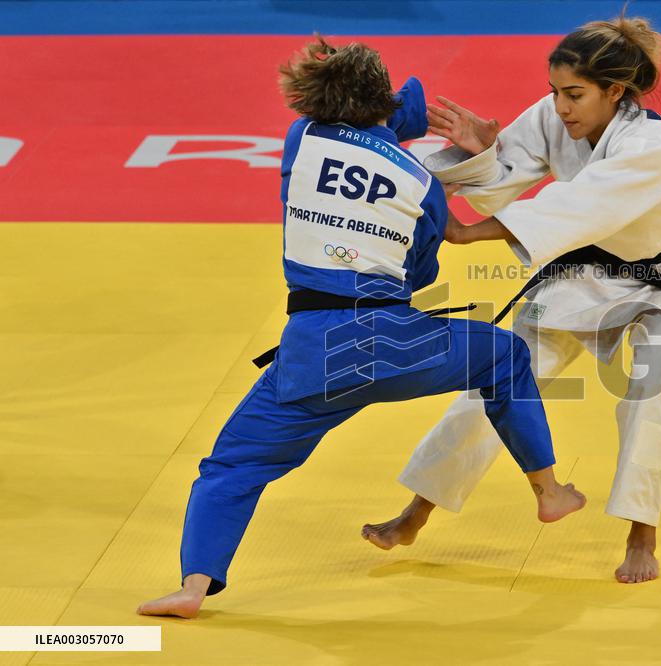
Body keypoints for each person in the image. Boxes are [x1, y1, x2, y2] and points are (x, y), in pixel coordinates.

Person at [137, 35, 585, 619]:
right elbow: (421, 273)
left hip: (312, 358)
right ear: (385, 104)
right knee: (504, 356)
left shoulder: (302, 138)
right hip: (396, 345)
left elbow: (366, 118)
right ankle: (549, 490)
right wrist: (471, 149)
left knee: (231, 467)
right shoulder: (422, 183)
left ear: (314, 100)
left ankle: (193, 586)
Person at [361, 16, 661, 584]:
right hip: (583, 270)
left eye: (575, 94)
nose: (561, 107)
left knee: (651, 393)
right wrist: (478, 152)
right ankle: (416, 512)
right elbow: (507, 173)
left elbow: (576, 207)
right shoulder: (553, 115)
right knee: (499, 376)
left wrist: (466, 234)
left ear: (616, 91)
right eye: (555, 91)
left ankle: (642, 534)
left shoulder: (651, 147)